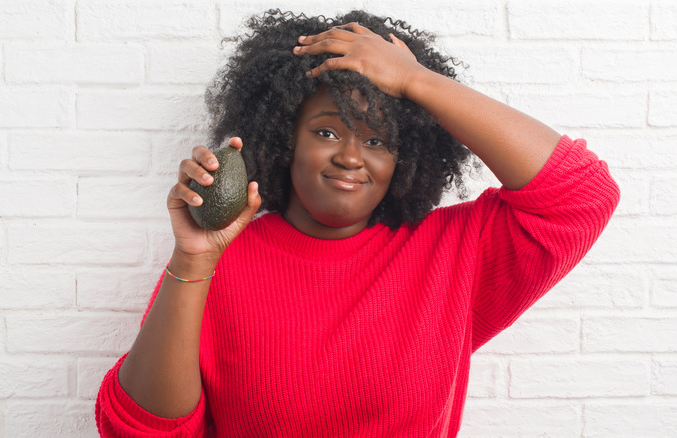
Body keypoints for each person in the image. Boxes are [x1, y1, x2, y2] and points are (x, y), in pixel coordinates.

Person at [95, 9, 620, 437]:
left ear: (405, 157)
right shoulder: (219, 262)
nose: (351, 157)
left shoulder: (452, 252)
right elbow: (142, 430)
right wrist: (193, 258)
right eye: (326, 132)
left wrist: (415, 80)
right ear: (284, 141)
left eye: (376, 140)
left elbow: (583, 196)